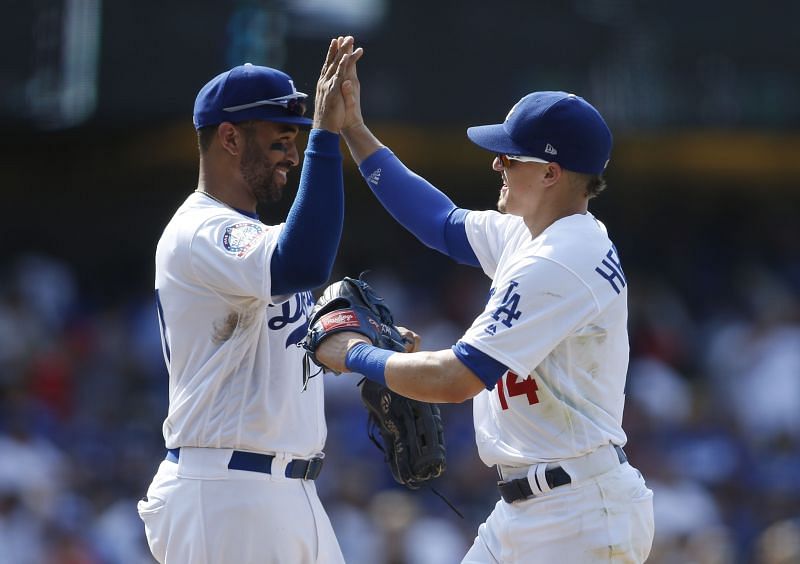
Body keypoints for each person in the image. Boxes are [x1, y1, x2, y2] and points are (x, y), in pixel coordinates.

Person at [316, 54, 656, 562]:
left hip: (577, 517)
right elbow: (440, 223)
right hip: (535, 510)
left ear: (551, 173)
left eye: (511, 156)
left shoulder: (560, 260)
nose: (497, 162)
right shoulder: (540, 232)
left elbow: (455, 379)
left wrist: (355, 354)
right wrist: (357, 133)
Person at [138, 37, 362, 564]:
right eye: (279, 138)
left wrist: (369, 350)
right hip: (229, 493)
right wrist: (329, 137)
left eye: (299, 137)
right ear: (231, 138)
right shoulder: (203, 229)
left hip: (287, 491)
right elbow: (301, 263)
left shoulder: (250, 239)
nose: (293, 152)